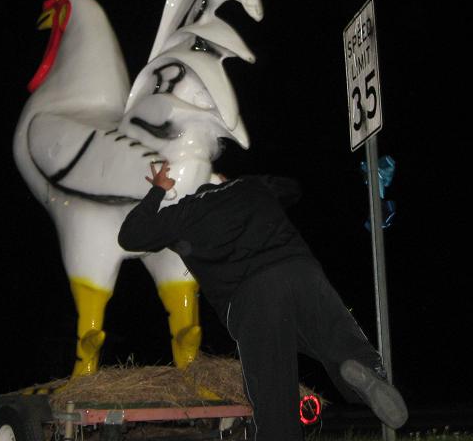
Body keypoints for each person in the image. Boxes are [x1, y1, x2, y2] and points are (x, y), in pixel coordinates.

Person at [118, 161, 408, 441]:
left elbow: (130, 235)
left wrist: (158, 190)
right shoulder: (250, 186)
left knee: (273, 392)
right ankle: (366, 370)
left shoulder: (184, 211)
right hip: (300, 271)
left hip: (252, 296)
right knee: (335, 336)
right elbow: (292, 188)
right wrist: (243, 185)